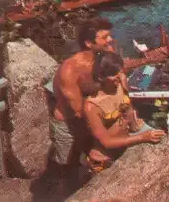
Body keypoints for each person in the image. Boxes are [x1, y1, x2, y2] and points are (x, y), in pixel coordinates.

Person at [49, 18, 118, 170]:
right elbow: (79, 110)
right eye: (105, 37)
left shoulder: (107, 55)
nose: (111, 40)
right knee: (66, 167)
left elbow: (118, 77)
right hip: (69, 123)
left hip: (94, 114)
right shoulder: (70, 71)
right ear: (89, 43)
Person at [83, 52, 165, 174]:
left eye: (119, 71)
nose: (119, 76)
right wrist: (142, 137)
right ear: (100, 77)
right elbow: (106, 142)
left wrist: (136, 126)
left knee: (163, 140)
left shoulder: (121, 81)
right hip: (107, 153)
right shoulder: (92, 106)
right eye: (113, 74)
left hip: (129, 136)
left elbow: (128, 106)